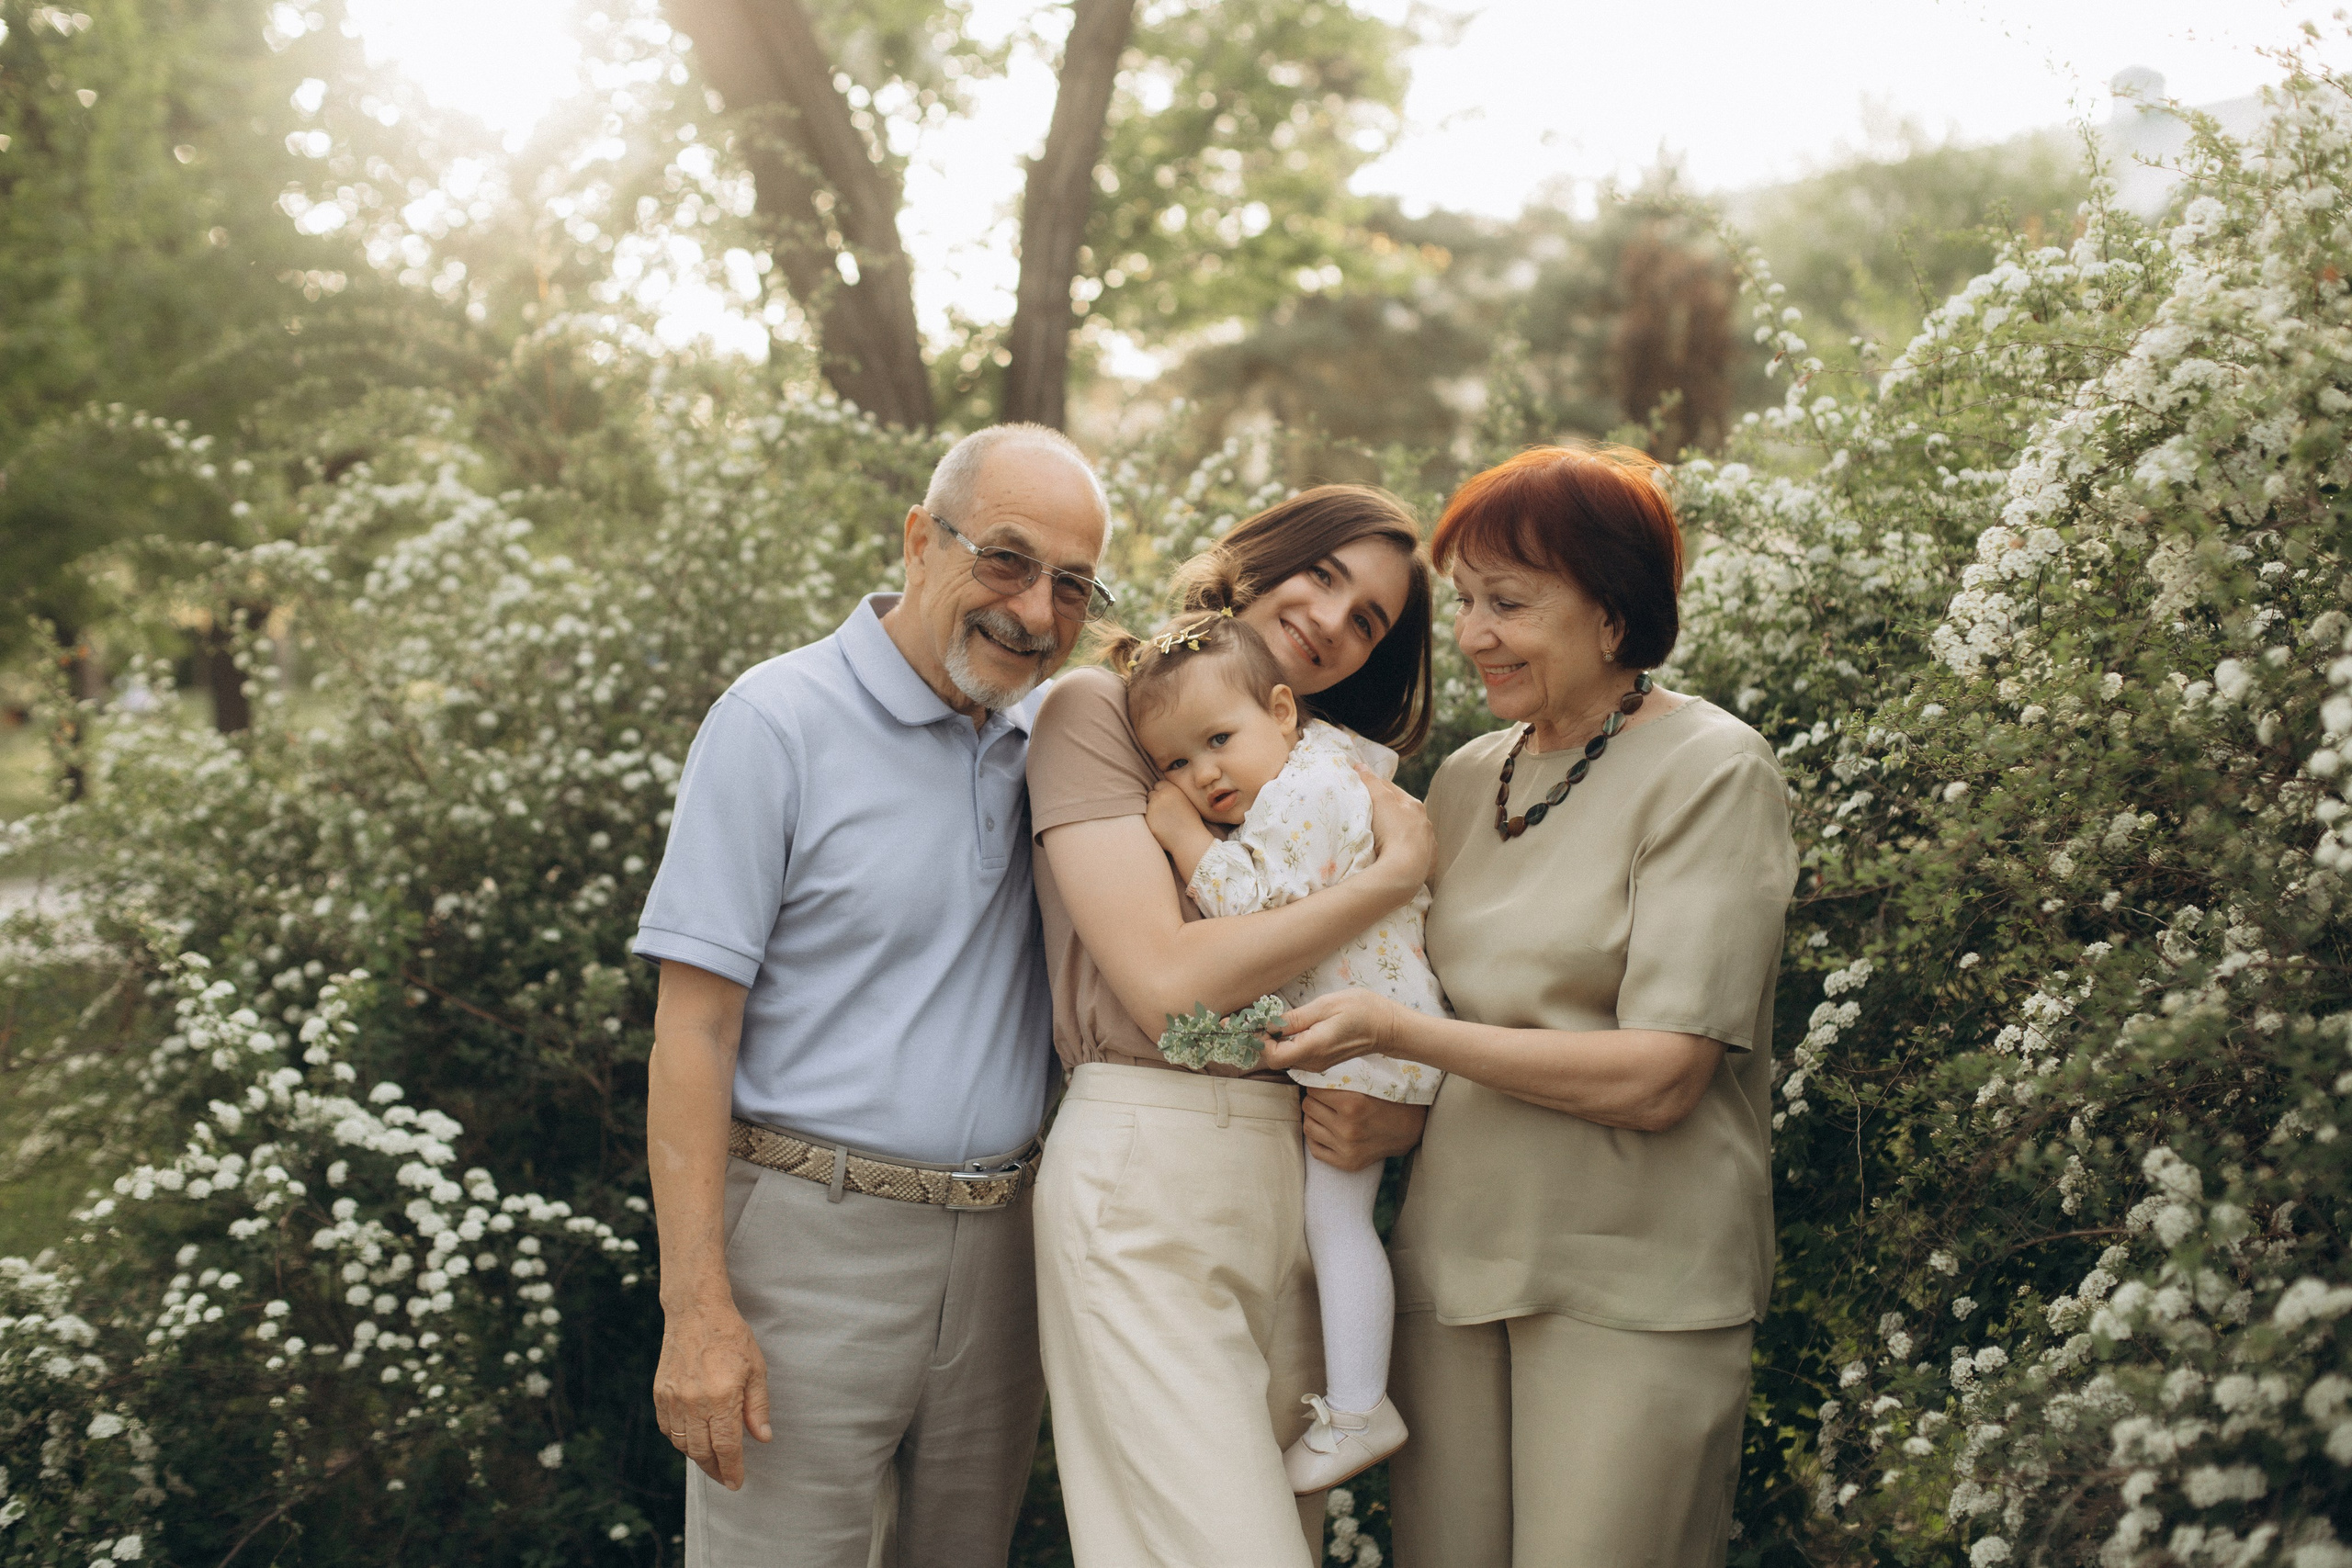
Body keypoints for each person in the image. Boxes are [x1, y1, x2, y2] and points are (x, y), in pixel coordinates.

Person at [1263, 445, 1797, 1568]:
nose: (1471, 634)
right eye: (1464, 601)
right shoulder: (1463, 780)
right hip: (1450, 1272)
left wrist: (1400, 1041)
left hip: (1635, 1283)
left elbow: (1663, 1076)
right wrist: (1399, 1106)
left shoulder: (1714, 770)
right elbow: (1419, 1005)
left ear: (1613, 615)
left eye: (1509, 603)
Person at [633, 423, 1113, 1568]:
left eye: (1072, 587)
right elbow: (691, 1032)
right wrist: (695, 1309)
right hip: (807, 1247)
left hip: (1005, 1256)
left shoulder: (1065, 737)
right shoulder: (774, 721)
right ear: (917, 539)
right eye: (1003, 560)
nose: (1034, 613)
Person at [1024, 485, 1439, 1568]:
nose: (1333, 623)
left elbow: (1394, 982)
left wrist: (1395, 1113)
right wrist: (1391, 877)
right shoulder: (1101, 710)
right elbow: (1169, 983)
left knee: (1277, 1538)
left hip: (1292, 1182)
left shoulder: (1330, 770)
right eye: (1326, 577)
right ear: (1260, 557)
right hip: (1152, 1162)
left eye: (1369, 623)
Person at [1119, 612, 1448, 1491]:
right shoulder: (1307, 769)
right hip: (1361, 1029)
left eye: (1219, 740)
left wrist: (1182, 835)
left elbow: (1259, 915)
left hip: (1368, 1038)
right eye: (1176, 764)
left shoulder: (1309, 792)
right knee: (1326, 1222)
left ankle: (1357, 1411)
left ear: (1282, 711)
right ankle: (1351, 1401)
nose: (1205, 775)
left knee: (1336, 1223)